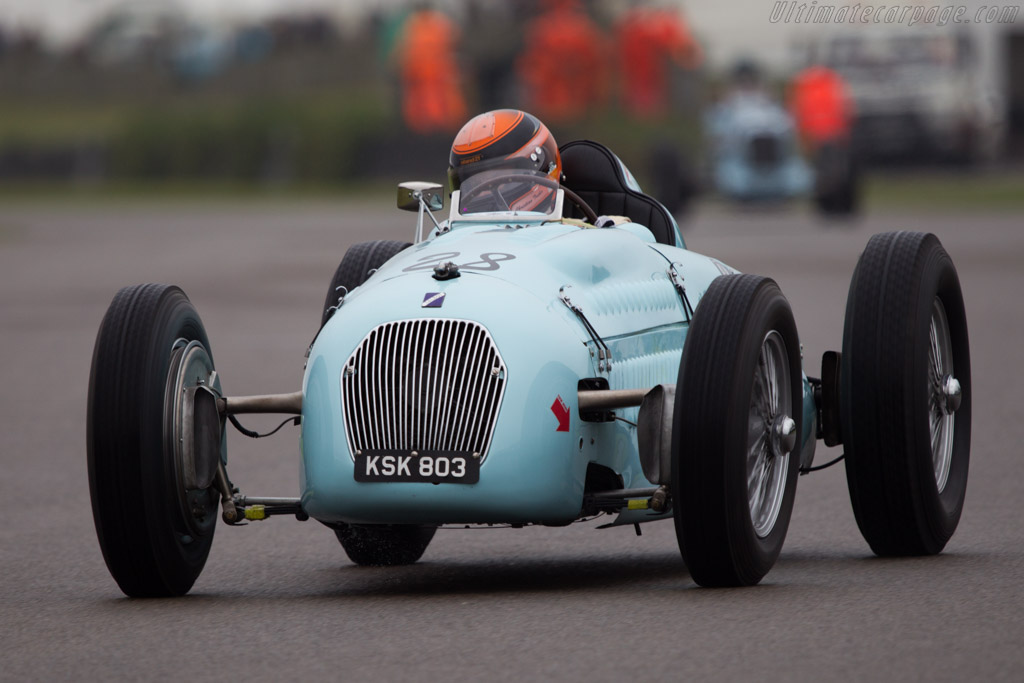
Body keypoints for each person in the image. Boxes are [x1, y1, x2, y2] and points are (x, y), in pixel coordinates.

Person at [447, 109, 562, 214]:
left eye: (498, 179)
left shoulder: (572, 233)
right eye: (474, 184)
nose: (482, 193)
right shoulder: (454, 233)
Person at [396, 6, 466, 133]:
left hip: (436, 77)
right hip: (425, 78)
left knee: (441, 102)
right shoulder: (434, 25)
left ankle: (436, 126)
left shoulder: (414, 28)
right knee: (428, 104)